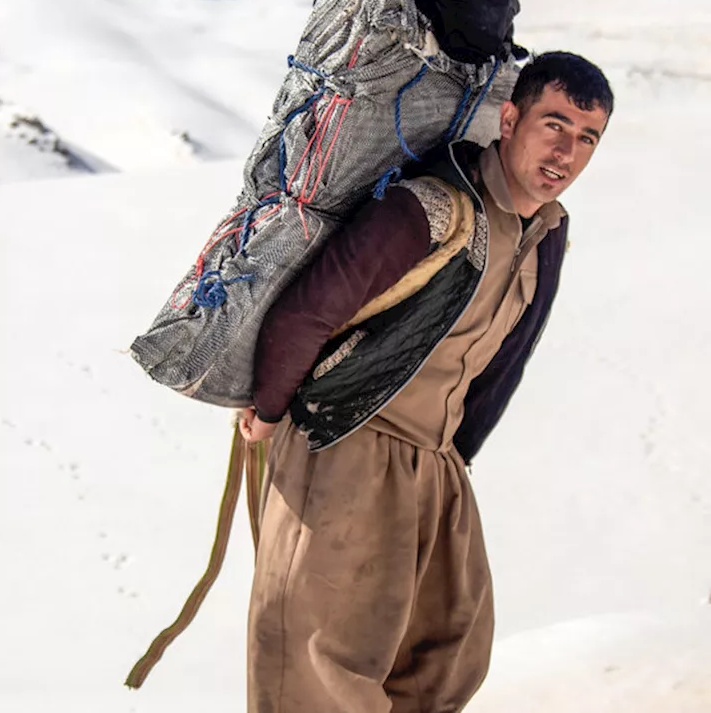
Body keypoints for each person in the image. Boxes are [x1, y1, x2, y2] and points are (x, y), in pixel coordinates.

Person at [239, 51, 613, 712]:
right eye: (554, 124)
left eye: (586, 137)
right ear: (510, 118)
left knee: (449, 652)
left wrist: (454, 460)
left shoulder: (547, 234)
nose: (567, 150)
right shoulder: (435, 207)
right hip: (346, 442)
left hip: (435, 464)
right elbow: (311, 307)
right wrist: (270, 411)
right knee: (320, 664)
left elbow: (507, 360)